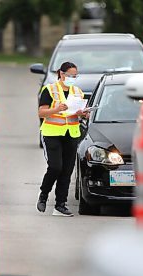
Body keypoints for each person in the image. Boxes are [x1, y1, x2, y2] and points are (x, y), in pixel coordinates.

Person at [36, 61, 89, 217]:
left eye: (75, 76)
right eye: (70, 75)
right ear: (61, 73)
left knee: (67, 170)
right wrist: (56, 109)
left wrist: (83, 113)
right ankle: (44, 194)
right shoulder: (50, 90)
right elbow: (41, 113)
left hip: (71, 134)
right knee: (55, 167)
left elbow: (77, 112)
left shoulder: (78, 91)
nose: (73, 78)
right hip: (52, 133)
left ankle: (60, 205)